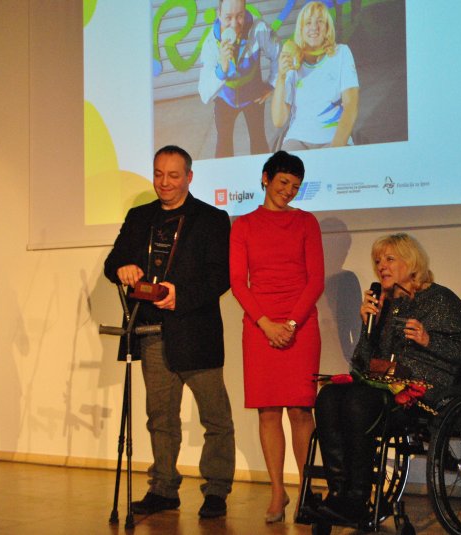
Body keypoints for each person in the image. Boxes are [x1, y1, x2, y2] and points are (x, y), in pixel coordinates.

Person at [313, 233, 461, 524]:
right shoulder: (386, 304)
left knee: (358, 402)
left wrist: (429, 340)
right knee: (328, 397)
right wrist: (368, 324)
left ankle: (357, 497)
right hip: (382, 388)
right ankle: (339, 493)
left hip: (424, 394)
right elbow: (361, 364)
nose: (381, 266)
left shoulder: (439, 299)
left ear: (411, 262)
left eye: (389, 259)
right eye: (378, 261)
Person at [104, 145, 235, 519]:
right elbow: (112, 264)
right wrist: (123, 268)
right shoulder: (139, 217)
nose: (164, 182)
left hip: (196, 332)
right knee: (160, 418)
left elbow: (220, 277)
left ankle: (216, 490)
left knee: (215, 417)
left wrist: (181, 297)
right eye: (159, 174)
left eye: (173, 175)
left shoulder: (211, 219)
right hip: (151, 332)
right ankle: (163, 489)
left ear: (189, 177)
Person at [229, 151, 324, 523]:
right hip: (260, 326)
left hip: (301, 326)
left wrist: (292, 324)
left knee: (301, 410)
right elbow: (239, 282)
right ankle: (276, 492)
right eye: (284, 182)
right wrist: (266, 324)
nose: (289, 191)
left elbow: (315, 280)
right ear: (266, 178)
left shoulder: (306, 222)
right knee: (268, 411)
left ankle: (307, 490)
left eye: (296, 186)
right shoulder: (244, 225)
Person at [271, 1, 359, 150]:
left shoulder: (341, 53)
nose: (314, 27)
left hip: (333, 139)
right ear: (301, 29)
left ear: (327, 28)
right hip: (297, 139)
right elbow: (279, 121)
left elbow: (351, 106)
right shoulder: (293, 60)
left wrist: (335, 150)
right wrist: (281, 77)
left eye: (320, 21)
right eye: (308, 23)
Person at [198, 0, 280, 157]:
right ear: (219, 15)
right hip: (225, 100)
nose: (234, 24)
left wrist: (271, 84)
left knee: (259, 142)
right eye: (228, 17)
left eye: (240, 16)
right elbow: (204, 94)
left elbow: (278, 53)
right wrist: (221, 69)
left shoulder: (259, 30)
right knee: (223, 146)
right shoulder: (210, 43)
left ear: (245, 11)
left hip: (253, 97)